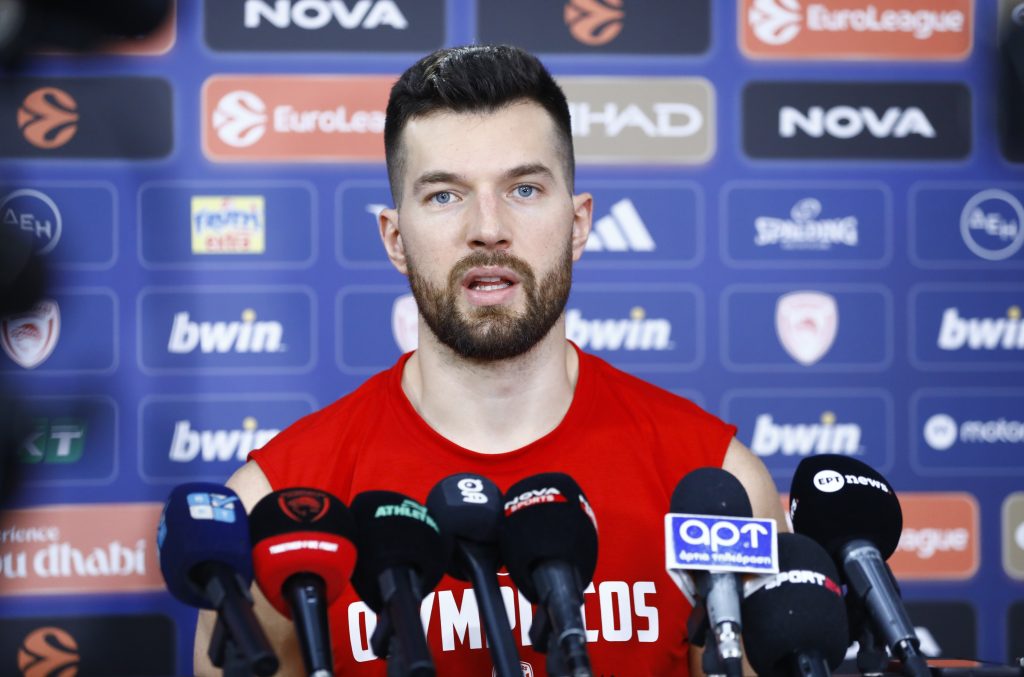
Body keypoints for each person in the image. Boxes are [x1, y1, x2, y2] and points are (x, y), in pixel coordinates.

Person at [194, 44, 788, 676]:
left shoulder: (717, 485)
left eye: (524, 189)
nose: (487, 228)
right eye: (444, 195)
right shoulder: (279, 508)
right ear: (395, 239)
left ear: (578, 224)